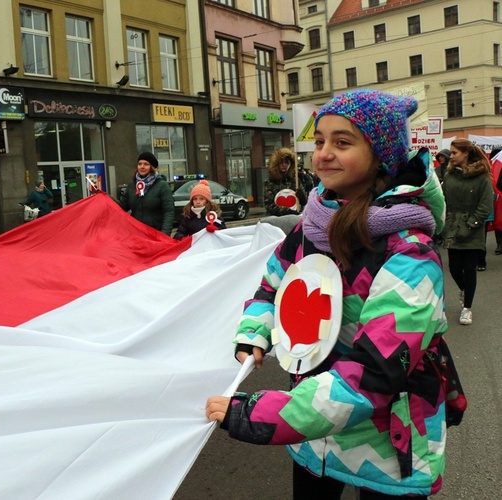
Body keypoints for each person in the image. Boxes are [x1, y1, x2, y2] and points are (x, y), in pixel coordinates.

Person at [206, 89, 448, 498]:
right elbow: (272, 287)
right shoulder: (311, 225)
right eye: (319, 141)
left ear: (380, 156)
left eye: (342, 142)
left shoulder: (410, 254)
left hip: (388, 444)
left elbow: (374, 372)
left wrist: (262, 414)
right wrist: (254, 333)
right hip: (312, 435)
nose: (323, 154)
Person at [441, 139, 494, 325]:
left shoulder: (482, 177)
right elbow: (444, 202)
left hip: (473, 229)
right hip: (453, 226)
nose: (451, 156)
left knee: (470, 268)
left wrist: (472, 224)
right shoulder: (449, 176)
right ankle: (464, 289)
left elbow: (486, 205)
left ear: (466, 154)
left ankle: (467, 308)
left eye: (455, 152)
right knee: (454, 268)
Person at [117, 151, 174, 235]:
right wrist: (105, 197)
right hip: (136, 234)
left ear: (152, 167)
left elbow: (169, 212)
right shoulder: (132, 185)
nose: (142, 167)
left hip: (155, 234)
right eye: (140, 164)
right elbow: (123, 206)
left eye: (146, 164)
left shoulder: (162, 186)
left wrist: (165, 234)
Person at [263, 147, 308, 216]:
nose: (284, 165)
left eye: (286, 162)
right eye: (281, 163)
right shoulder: (270, 182)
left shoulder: (294, 181)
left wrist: (301, 195)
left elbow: (304, 202)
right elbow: (269, 205)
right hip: (276, 220)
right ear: (276, 164)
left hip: (293, 218)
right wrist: (287, 211)